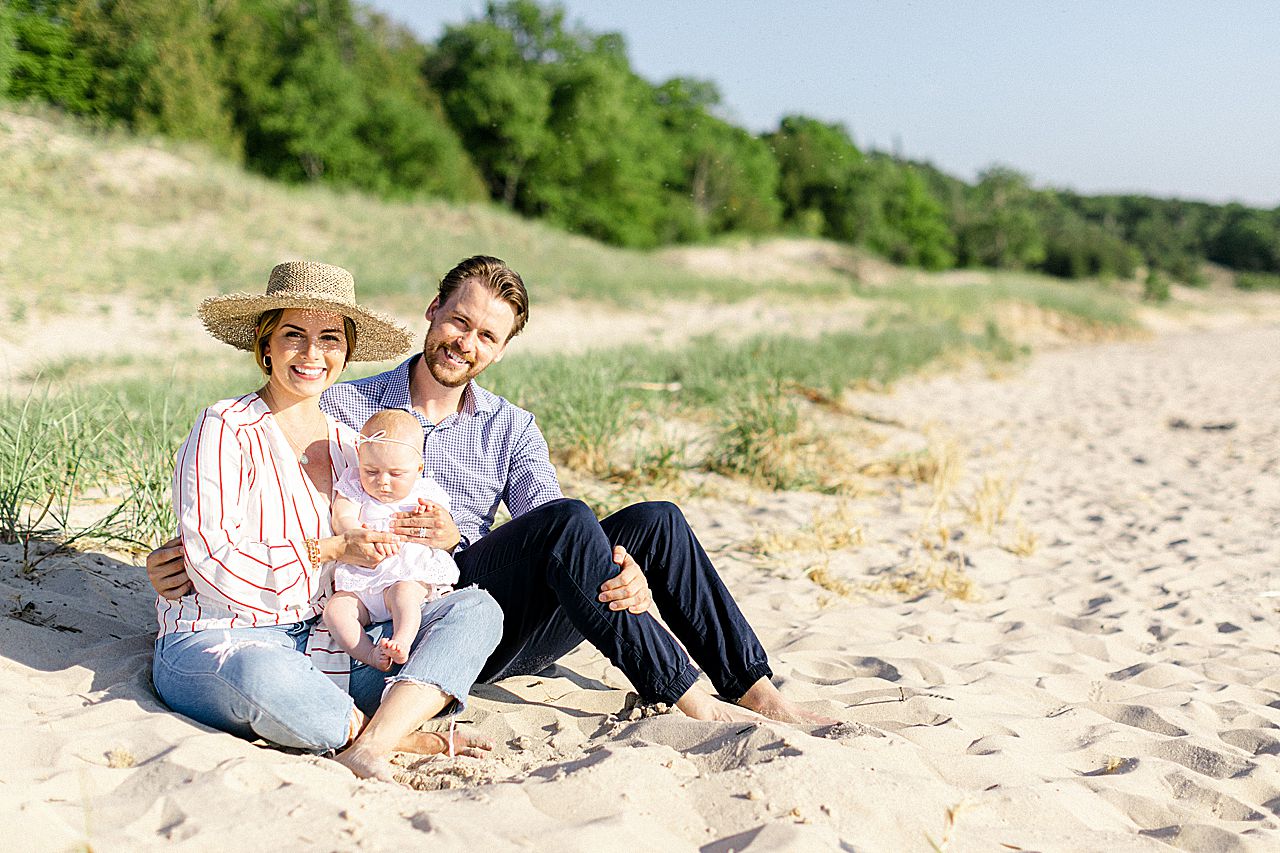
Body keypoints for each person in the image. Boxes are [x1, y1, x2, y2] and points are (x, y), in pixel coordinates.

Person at [150, 256, 834, 726]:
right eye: (458, 321)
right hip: (419, 606)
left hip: (507, 599)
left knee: (655, 521)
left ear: (501, 348)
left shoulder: (510, 427)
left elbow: (559, 535)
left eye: (486, 335)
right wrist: (164, 557)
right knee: (573, 525)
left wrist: (622, 571)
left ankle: (755, 686)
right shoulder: (350, 407)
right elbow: (276, 492)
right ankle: (682, 692)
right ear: (433, 311)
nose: (464, 342)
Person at [151, 260, 503, 782]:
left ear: (346, 350)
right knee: (263, 677)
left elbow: (388, 555)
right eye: (294, 334)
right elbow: (215, 564)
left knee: (475, 611)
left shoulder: (351, 445)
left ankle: (368, 742)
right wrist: (331, 550)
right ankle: (395, 734)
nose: (312, 354)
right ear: (264, 342)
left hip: (331, 639)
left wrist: (431, 537)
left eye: (330, 338)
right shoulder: (225, 427)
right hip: (226, 634)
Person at [324, 409, 461, 672]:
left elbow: (439, 522)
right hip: (362, 579)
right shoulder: (354, 484)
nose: (382, 482)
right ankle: (369, 653)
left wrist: (427, 514)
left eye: (395, 474)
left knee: (405, 596)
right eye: (371, 470)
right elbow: (341, 516)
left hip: (404, 572)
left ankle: (402, 640)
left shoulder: (425, 491)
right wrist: (355, 531)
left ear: (418, 468)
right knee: (336, 611)